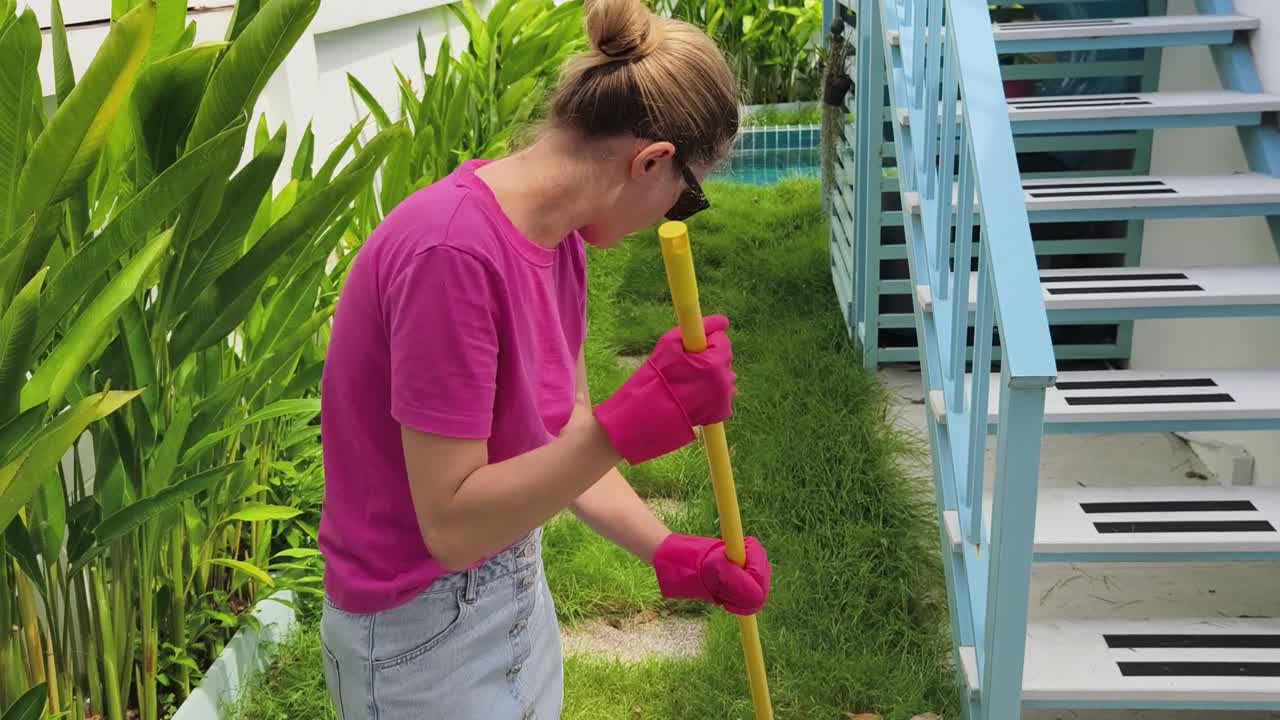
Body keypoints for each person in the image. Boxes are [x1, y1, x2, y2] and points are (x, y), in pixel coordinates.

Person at [316, 0, 772, 717]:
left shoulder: (559, 243)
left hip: (513, 585)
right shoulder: (452, 254)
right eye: (684, 199)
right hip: (418, 635)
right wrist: (627, 425)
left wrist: (669, 550)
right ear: (651, 161)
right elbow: (452, 525)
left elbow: (562, 437)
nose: (668, 216)